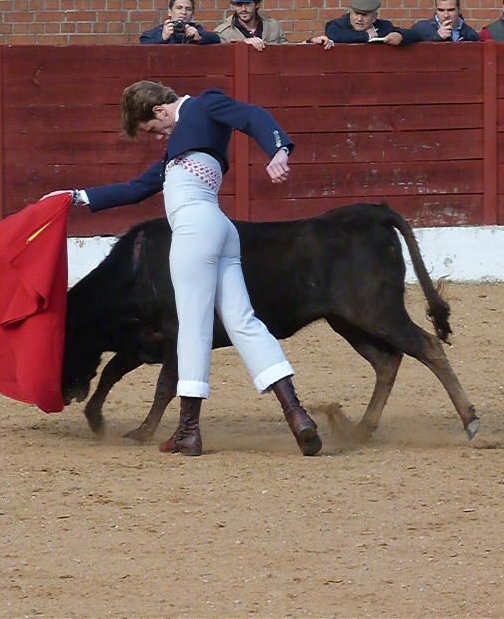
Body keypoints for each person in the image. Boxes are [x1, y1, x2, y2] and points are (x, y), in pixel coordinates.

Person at [45, 82, 322, 457]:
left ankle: (189, 430)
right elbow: (133, 188)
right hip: (220, 229)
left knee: (192, 325)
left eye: (152, 129)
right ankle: (297, 414)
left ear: (160, 111)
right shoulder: (177, 153)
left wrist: (278, 150)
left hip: (195, 229)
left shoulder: (204, 105)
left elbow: (253, 115)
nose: (157, 135)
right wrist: (74, 196)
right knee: (244, 322)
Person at [214, 0, 287, 50]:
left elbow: (287, 52)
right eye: (239, 4)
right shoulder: (223, 32)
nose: (243, 9)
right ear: (234, 6)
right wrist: (242, 43)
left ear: (257, 4)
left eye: (248, 4)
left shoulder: (273, 26)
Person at [324, 0, 415, 45]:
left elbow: (414, 34)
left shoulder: (383, 26)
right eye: (356, 14)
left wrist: (400, 36)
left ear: (374, 17)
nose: (359, 19)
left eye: (364, 15)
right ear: (350, 13)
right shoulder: (338, 25)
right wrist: (367, 36)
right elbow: (334, 35)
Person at [139, 0, 220, 45]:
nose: (184, 12)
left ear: (192, 14)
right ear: (170, 12)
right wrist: (162, 38)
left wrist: (199, 38)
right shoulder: (160, 31)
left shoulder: (196, 29)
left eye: (188, 9)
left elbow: (216, 38)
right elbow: (144, 42)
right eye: (179, 8)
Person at [407, 0, 480, 42]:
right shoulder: (422, 28)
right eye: (441, 10)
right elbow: (405, 38)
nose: (446, 15)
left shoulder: (470, 34)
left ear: (459, 9)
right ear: (436, 10)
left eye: (450, 10)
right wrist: (437, 36)